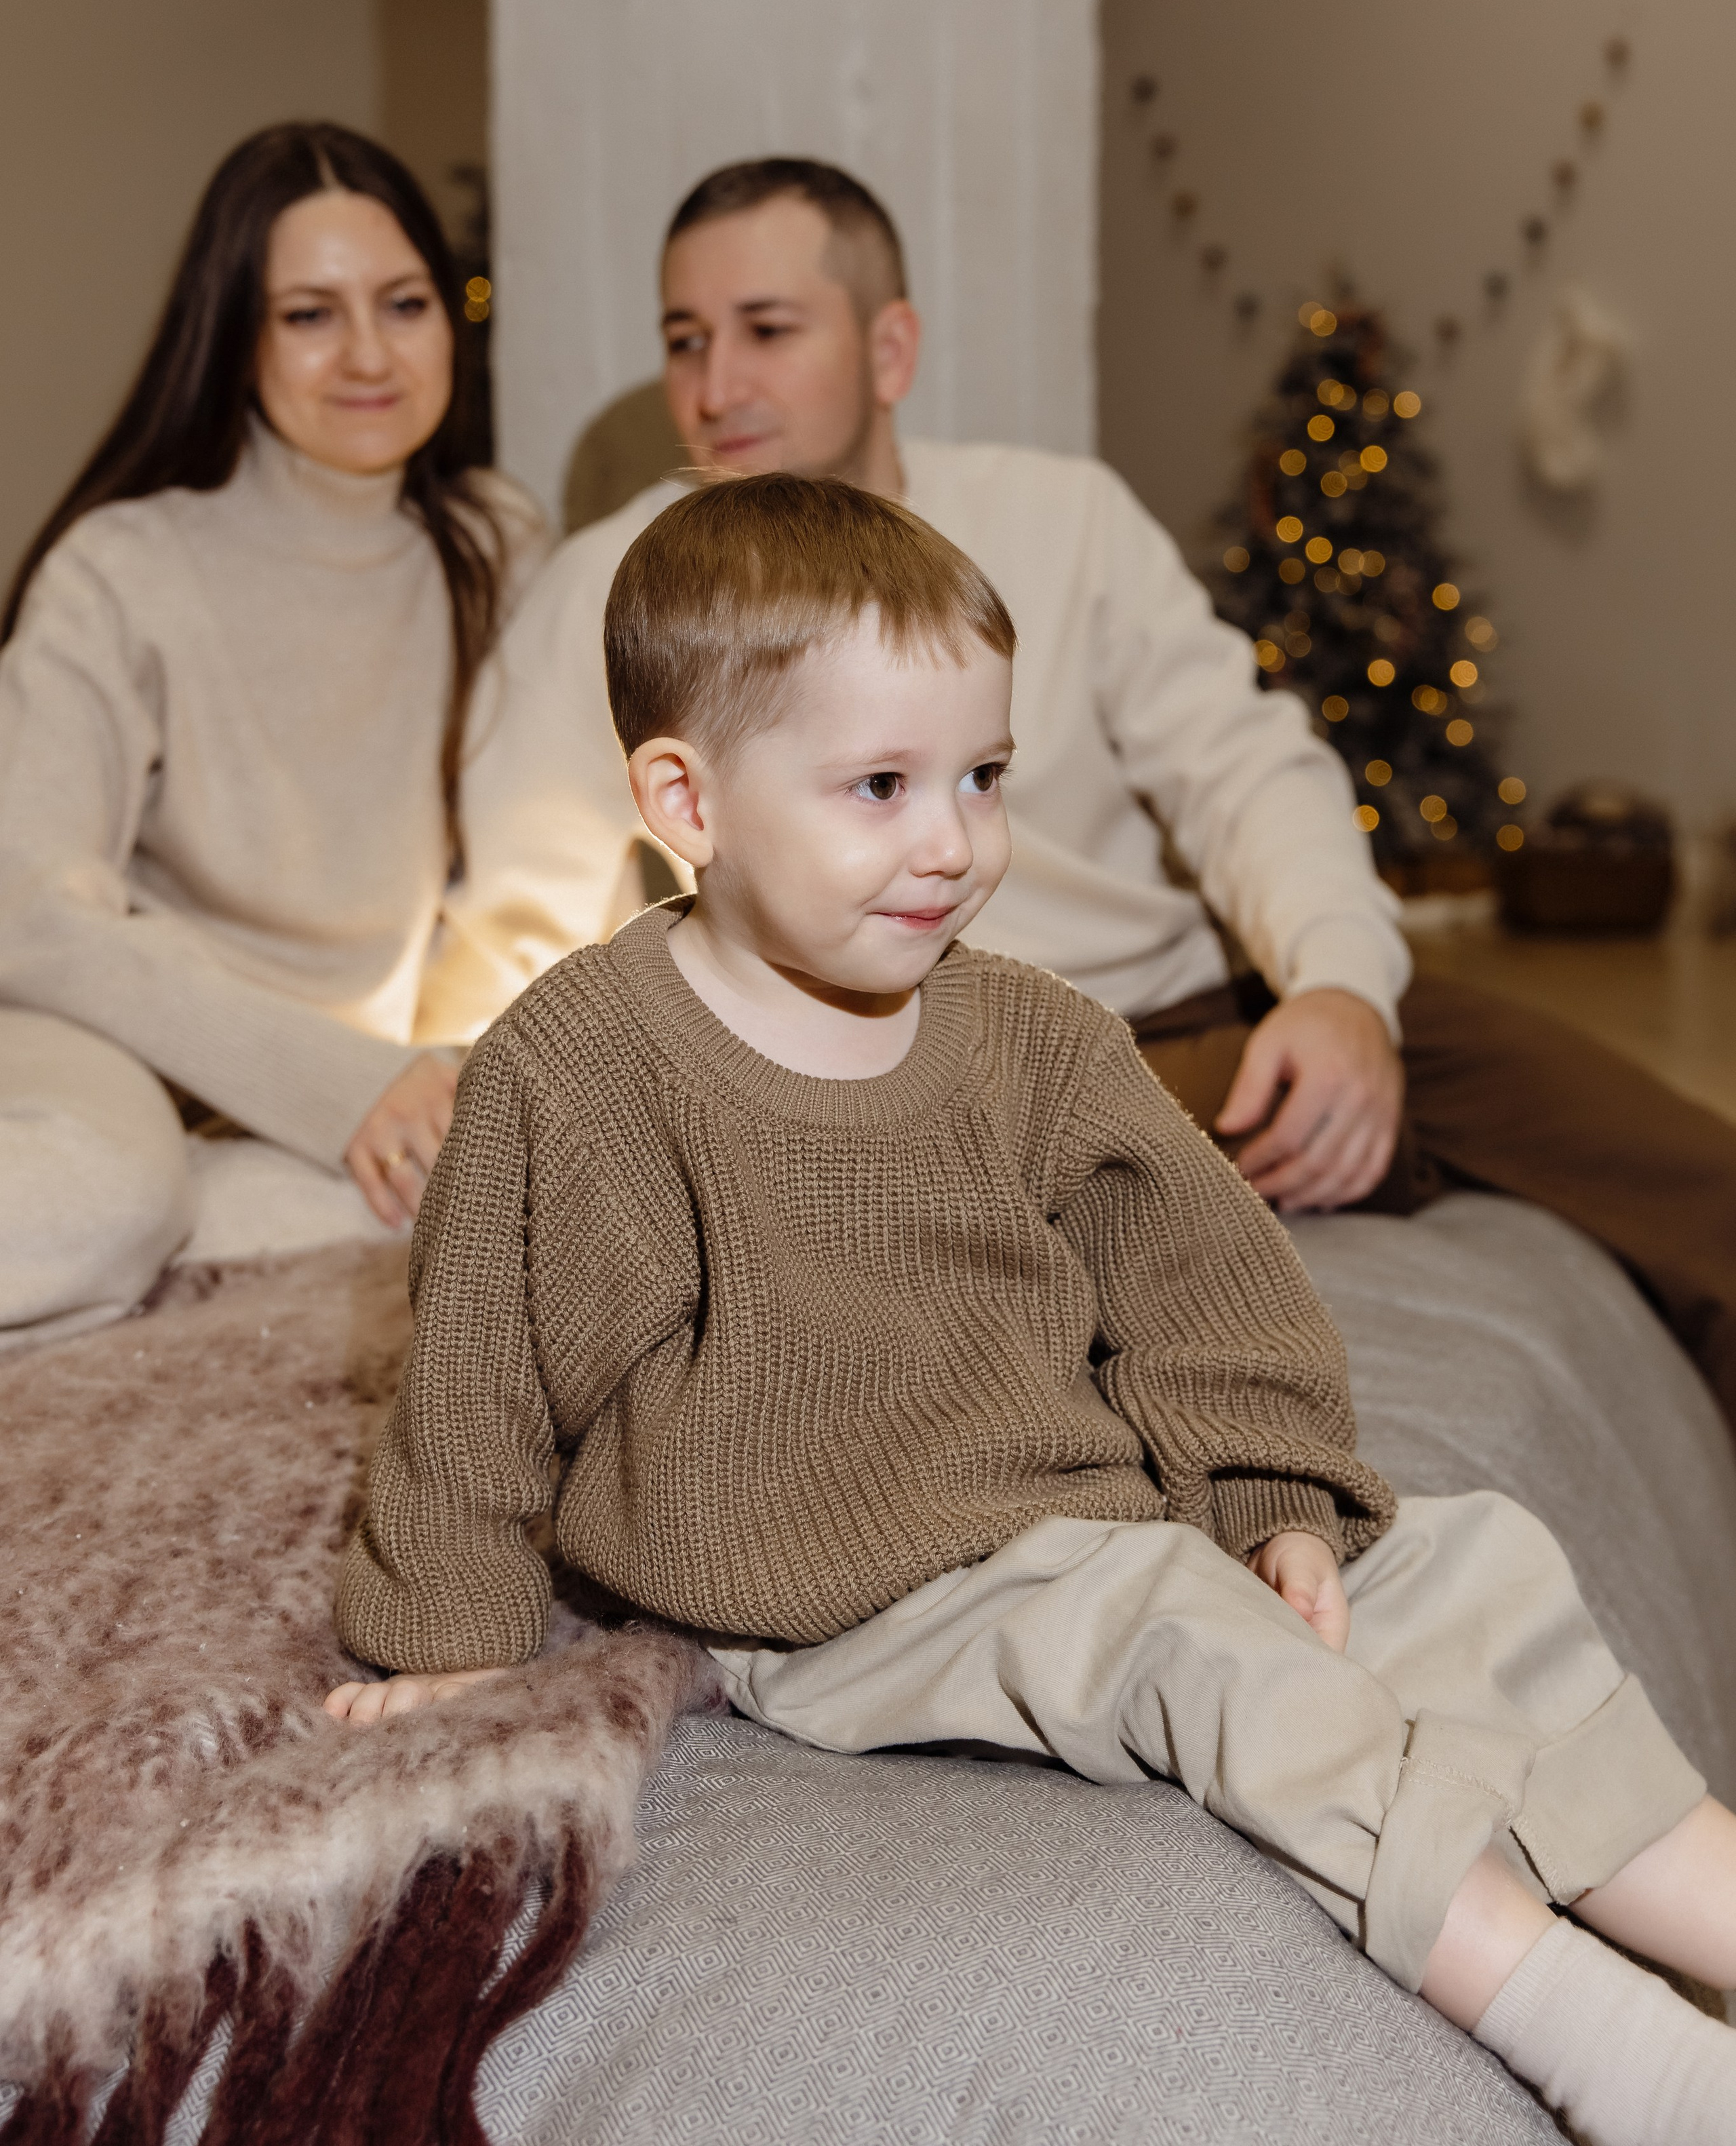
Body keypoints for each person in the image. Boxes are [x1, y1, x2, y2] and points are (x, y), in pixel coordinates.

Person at [333, 477, 1736, 2146]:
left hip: (1063, 1496)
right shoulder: (578, 1072)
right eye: (880, 787)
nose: (954, 843)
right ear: (684, 799)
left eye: (981, 779)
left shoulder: (1030, 1034)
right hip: (842, 1580)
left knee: (1456, 1568)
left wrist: (1271, 1489)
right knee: (1195, 1652)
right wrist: (456, 1634)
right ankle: (1619, 2052)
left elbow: (1194, 1268)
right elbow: (481, 1371)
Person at [441, 155, 1736, 1427]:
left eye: (767, 330)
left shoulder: (1065, 519)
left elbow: (1248, 767)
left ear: (891, 350)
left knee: (1679, 1174)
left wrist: (1342, 986)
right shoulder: (612, 591)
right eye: (684, 340)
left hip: (1197, 1006)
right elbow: (515, 918)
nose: (716, 386)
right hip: (929, 1085)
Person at [0, 121, 543, 1344]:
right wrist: (332, 1085)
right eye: (309, 314)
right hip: (114, 1031)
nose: (368, 355)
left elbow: (530, 854)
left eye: (404, 303)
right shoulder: (124, 564)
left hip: (385, 1059)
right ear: (235, 336)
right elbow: (28, 907)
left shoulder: (499, 541)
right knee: (103, 1205)